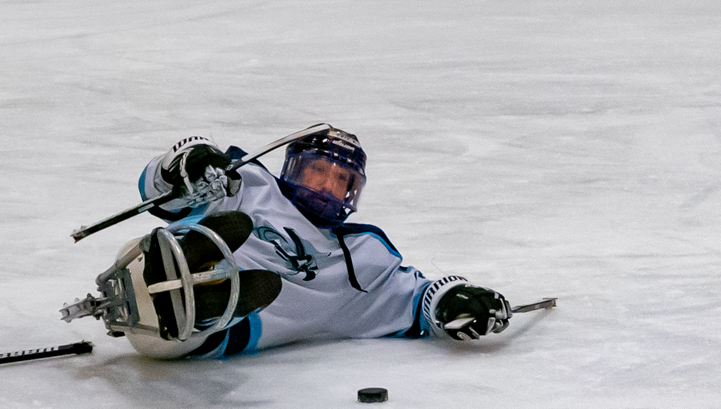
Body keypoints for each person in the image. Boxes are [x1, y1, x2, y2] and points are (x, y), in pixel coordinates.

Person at [65, 128, 520, 359]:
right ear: (292, 168)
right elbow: (160, 193)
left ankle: (202, 305)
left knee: (232, 293)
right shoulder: (247, 182)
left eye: (341, 181)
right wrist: (188, 162)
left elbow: (415, 299)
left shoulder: (362, 260)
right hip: (149, 265)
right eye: (317, 172)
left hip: (198, 339)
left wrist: (455, 298)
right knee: (200, 235)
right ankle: (174, 278)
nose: (326, 188)